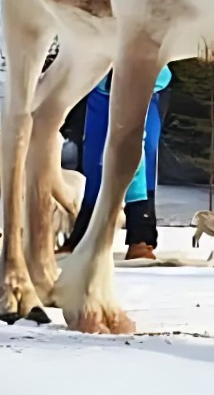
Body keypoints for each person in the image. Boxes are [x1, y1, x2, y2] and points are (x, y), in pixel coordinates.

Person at [62, 67, 173, 259]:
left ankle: (141, 236)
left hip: (146, 86)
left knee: (138, 154)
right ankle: (84, 237)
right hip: (101, 86)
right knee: (95, 162)